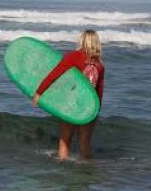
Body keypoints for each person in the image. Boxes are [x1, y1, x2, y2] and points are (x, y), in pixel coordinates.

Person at [32, 30, 105, 160]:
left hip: (72, 103)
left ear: (82, 40)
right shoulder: (99, 64)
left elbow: (54, 74)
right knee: (84, 143)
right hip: (89, 106)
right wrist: (96, 110)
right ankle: (87, 171)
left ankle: (63, 170)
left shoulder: (74, 56)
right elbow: (99, 90)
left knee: (65, 140)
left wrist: (39, 92)